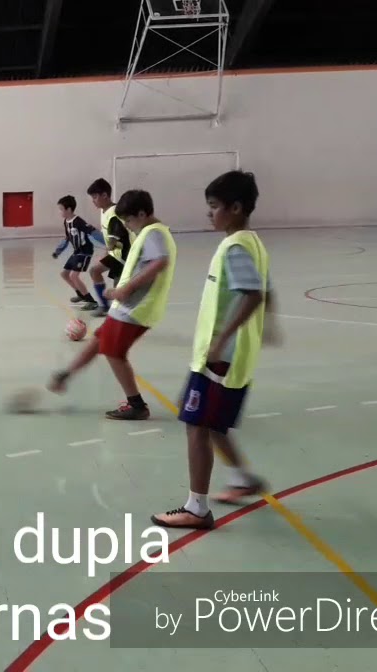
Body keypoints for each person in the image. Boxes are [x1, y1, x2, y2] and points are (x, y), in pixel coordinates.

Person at [150, 170, 278, 530]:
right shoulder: (254, 242)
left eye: (215, 207)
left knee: (196, 426)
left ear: (236, 208)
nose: (210, 214)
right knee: (215, 423)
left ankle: (196, 508)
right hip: (237, 357)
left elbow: (253, 295)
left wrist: (221, 342)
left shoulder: (235, 247)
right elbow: (265, 290)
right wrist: (272, 323)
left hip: (219, 360)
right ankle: (242, 478)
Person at [48, 189, 176, 421]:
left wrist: (124, 290)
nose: (127, 226)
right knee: (100, 340)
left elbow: (160, 261)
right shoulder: (149, 231)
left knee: (114, 353)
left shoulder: (153, 233)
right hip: (126, 307)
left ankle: (136, 404)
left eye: (128, 220)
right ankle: (66, 375)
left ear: (142, 213)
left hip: (137, 308)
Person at [85, 178, 133, 318]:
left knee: (120, 291)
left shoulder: (114, 213)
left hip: (124, 257)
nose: (93, 200)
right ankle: (104, 306)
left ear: (105, 195)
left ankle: (125, 315)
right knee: (94, 271)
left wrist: (105, 250)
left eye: (95, 197)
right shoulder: (104, 211)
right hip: (115, 254)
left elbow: (114, 239)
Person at [52, 195, 98, 308]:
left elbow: (92, 231)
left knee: (74, 276)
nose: (60, 212)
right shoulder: (66, 222)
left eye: (61, 209)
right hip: (76, 252)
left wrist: (106, 244)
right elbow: (67, 238)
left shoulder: (78, 221)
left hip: (85, 252)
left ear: (69, 209)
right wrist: (58, 251)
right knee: (64, 274)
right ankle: (81, 294)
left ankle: (91, 301)